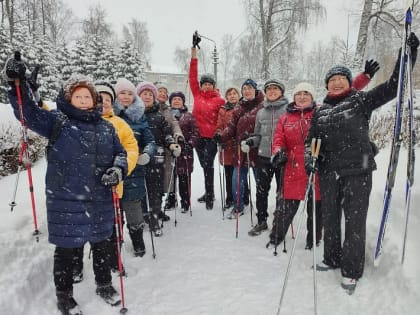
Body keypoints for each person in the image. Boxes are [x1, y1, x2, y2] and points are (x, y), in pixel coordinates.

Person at [5, 56, 128, 314]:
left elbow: (121, 153)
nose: (84, 101)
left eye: (88, 97)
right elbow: (27, 113)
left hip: (100, 199)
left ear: (96, 101)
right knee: (66, 250)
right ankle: (64, 296)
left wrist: (118, 169)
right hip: (66, 199)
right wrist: (19, 82)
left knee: (102, 245)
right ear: (68, 99)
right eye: (78, 97)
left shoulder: (107, 128)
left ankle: (104, 285)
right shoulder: (57, 122)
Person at [305, 33, 418, 293]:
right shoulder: (319, 111)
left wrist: (407, 56)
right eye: (331, 80)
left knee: (354, 222)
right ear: (326, 85)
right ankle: (331, 258)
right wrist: (311, 158)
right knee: (331, 219)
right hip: (328, 172)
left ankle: (352, 270)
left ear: (348, 82)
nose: (335, 83)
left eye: (340, 79)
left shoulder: (360, 100)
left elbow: (393, 87)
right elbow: (310, 141)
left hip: (358, 170)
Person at [269, 63, 378, 249]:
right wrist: (278, 152)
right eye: (298, 94)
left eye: (306, 94)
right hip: (294, 168)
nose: (302, 97)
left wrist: (364, 77)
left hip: (318, 166)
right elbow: (278, 139)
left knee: (317, 209)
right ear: (293, 97)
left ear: (312, 97)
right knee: (285, 207)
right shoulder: (285, 118)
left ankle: (313, 240)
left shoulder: (321, 111)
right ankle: (276, 236)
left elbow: (345, 93)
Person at [72, 81, 140, 282]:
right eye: (99, 99)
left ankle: (112, 262)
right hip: (80, 189)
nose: (104, 103)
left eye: (108, 100)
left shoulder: (119, 124)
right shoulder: (76, 121)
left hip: (109, 188)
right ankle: (75, 264)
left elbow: (131, 149)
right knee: (78, 227)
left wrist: (120, 169)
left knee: (110, 230)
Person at [113, 78, 155, 256]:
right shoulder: (107, 115)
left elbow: (150, 141)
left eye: (130, 93)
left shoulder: (140, 117)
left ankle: (138, 242)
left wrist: (147, 153)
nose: (126, 97)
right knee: (113, 212)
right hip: (111, 172)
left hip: (133, 171)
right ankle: (114, 243)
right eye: (122, 93)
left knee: (133, 210)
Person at [214, 78, 264, 219]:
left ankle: (261, 210)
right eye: (245, 89)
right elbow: (231, 127)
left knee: (260, 182)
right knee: (237, 180)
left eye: (250, 88)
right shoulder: (239, 107)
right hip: (241, 150)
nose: (247, 91)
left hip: (258, 151)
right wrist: (221, 136)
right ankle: (238, 207)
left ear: (255, 89)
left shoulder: (262, 106)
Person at [244, 79, 288, 236]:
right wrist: (252, 141)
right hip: (263, 157)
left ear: (281, 92)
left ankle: (279, 223)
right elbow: (258, 134)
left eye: (275, 89)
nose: (272, 91)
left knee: (281, 192)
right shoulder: (261, 112)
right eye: (269, 89)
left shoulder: (288, 110)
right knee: (261, 191)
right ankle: (261, 221)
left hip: (282, 158)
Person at [137, 82, 180, 236]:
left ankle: (154, 218)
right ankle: (143, 216)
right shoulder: (134, 114)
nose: (147, 97)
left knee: (155, 190)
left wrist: (171, 144)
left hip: (157, 157)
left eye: (150, 94)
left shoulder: (159, 116)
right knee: (141, 190)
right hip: (139, 158)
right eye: (144, 94)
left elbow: (167, 133)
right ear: (139, 96)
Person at [189, 45, 225, 209]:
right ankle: (208, 191)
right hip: (197, 137)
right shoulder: (197, 94)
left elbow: (223, 118)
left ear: (213, 85)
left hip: (211, 138)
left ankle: (210, 196)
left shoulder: (220, 101)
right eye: (204, 84)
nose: (206, 86)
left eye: (210, 84)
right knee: (204, 165)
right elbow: (192, 77)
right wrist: (194, 55)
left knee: (208, 164)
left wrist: (220, 133)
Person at [155, 82, 184, 211]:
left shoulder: (168, 111)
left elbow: (175, 124)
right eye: (159, 91)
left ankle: (160, 208)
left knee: (164, 177)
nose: (162, 94)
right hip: (152, 148)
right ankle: (154, 209)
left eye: (164, 92)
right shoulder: (148, 107)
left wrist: (178, 136)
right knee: (153, 178)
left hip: (166, 148)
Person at [169, 91, 200, 212]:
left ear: (183, 102)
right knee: (171, 178)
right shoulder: (167, 115)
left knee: (184, 179)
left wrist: (190, 144)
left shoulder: (188, 116)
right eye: (174, 99)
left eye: (179, 99)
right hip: (170, 152)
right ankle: (171, 201)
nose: (176, 101)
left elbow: (196, 133)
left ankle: (185, 202)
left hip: (185, 153)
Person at [215, 86, 241, 210]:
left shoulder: (242, 107)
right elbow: (219, 126)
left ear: (238, 95)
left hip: (239, 146)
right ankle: (229, 198)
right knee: (229, 174)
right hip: (227, 146)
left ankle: (242, 197)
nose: (232, 95)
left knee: (240, 174)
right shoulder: (223, 110)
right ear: (226, 97)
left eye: (234, 93)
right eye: (229, 94)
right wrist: (219, 136)